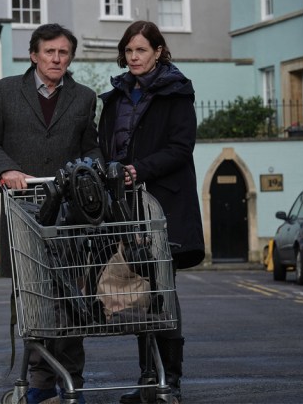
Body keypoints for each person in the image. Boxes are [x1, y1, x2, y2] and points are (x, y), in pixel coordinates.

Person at [0, 23, 102, 404]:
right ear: (34, 55)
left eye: (64, 53)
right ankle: (41, 382)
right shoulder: (6, 90)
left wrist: (92, 170)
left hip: (70, 215)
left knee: (71, 299)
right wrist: (6, 170)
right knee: (34, 299)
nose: (57, 59)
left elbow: (91, 148)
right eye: (50, 52)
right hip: (23, 212)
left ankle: (71, 380)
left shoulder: (84, 97)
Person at [96, 21, 206, 404]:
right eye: (128, 51)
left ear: (158, 51)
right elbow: (105, 147)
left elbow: (181, 147)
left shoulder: (177, 93)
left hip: (165, 205)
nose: (134, 58)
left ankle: (169, 381)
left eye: (141, 50)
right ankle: (148, 378)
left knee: (162, 290)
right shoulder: (114, 98)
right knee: (140, 291)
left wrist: (138, 170)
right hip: (126, 208)